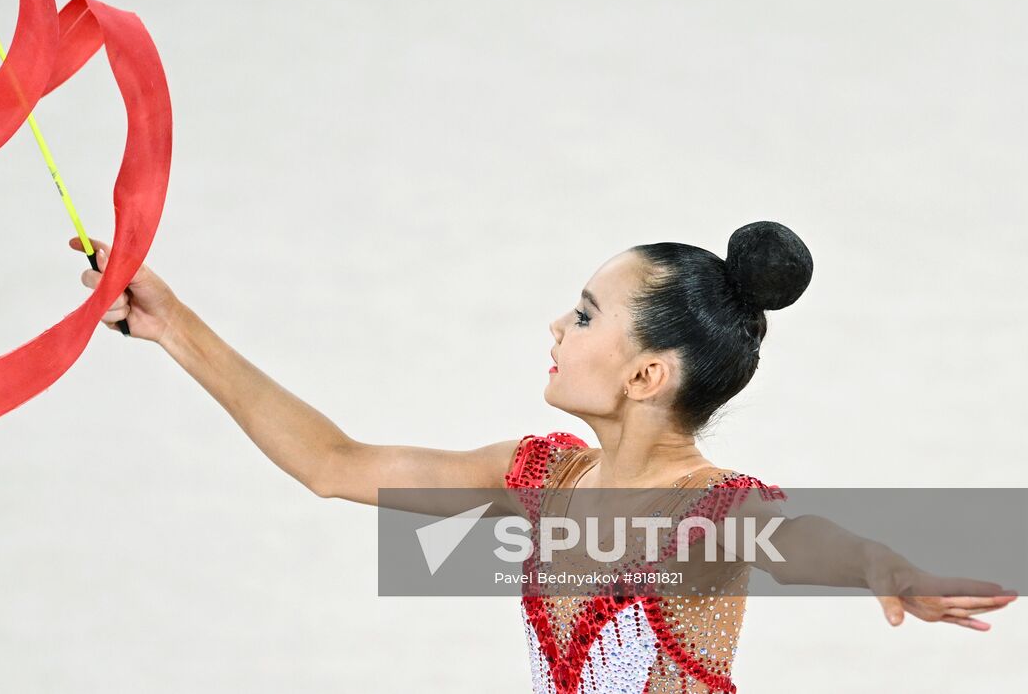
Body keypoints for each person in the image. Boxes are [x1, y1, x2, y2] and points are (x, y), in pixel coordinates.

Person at [70, 220, 1017, 692]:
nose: (557, 325)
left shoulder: (712, 518)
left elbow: (806, 540)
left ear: (647, 374)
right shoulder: (540, 478)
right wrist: (173, 327)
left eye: (586, 313)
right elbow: (331, 460)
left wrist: (883, 566)